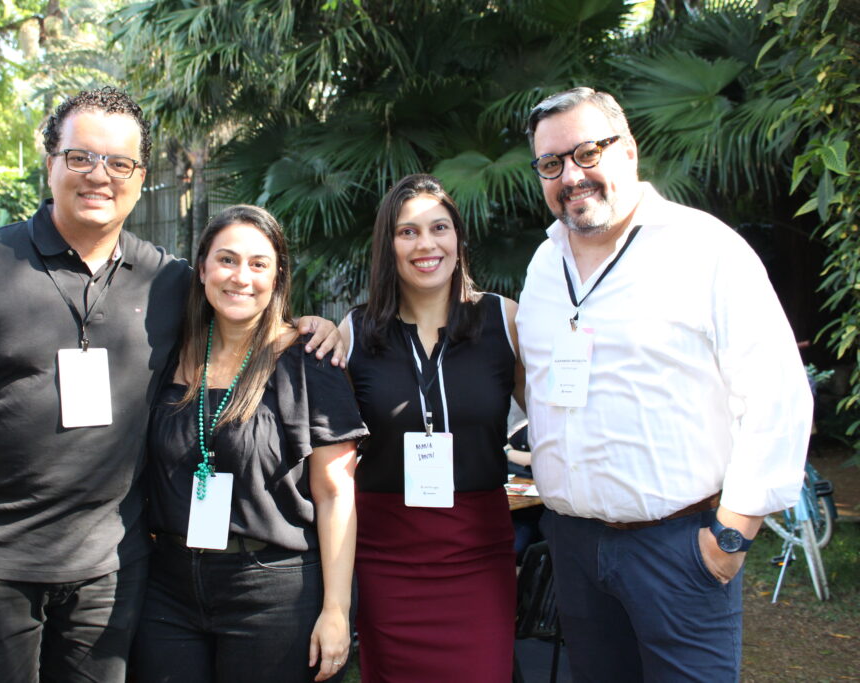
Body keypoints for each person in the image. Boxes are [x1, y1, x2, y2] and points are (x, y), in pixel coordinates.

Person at [0, 86, 343, 683]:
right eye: (81, 157)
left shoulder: (167, 281)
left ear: (139, 175)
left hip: (112, 572)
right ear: (50, 161)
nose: (99, 175)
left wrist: (311, 325)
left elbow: (243, 299)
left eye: (119, 162)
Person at [517, 87, 813, 682]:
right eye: (552, 164)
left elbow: (776, 393)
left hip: (679, 548)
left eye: (586, 153)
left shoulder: (703, 248)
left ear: (627, 151)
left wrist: (731, 535)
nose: (571, 175)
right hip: (575, 546)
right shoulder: (545, 265)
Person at [131, 205, 367, 683]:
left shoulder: (311, 360)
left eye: (259, 264)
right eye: (227, 260)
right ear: (201, 269)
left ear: (278, 277)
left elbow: (336, 494)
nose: (242, 277)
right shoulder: (165, 356)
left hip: (272, 589)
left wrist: (337, 611)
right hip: (169, 586)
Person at [339, 174, 524, 682]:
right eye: (408, 232)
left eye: (439, 227)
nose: (426, 244)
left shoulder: (504, 321)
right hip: (385, 558)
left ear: (458, 238)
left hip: (478, 555)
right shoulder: (352, 334)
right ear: (388, 246)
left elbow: (560, 426)